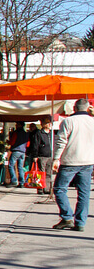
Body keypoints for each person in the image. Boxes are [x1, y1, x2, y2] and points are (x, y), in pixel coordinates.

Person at [52, 99, 94, 232]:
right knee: (84, 193)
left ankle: (67, 216)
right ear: (88, 108)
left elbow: (61, 141)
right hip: (88, 161)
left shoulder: (68, 121)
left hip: (70, 160)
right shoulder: (92, 122)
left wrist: (56, 158)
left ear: (74, 108)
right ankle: (80, 222)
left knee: (59, 188)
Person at [27, 117, 54, 195]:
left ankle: (47, 188)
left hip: (50, 155)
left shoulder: (51, 133)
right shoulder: (39, 133)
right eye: (47, 123)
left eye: (50, 123)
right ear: (43, 124)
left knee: (48, 173)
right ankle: (40, 188)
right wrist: (35, 155)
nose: (49, 125)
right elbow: (35, 144)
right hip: (42, 156)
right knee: (41, 173)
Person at [5, 121, 29, 188]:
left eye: (17, 124)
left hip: (16, 150)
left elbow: (12, 142)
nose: (16, 125)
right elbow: (28, 144)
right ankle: (22, 182)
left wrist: (8, 142)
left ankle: (14, 180)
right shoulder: (26, 133)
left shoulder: (16, 133)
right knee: (20, 167)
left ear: (20, 125)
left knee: (11, 165)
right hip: (23, 151)